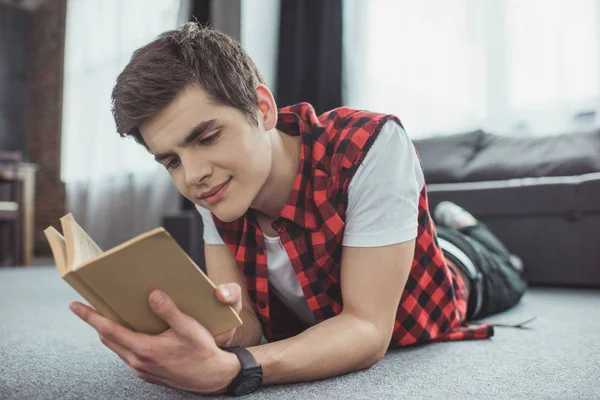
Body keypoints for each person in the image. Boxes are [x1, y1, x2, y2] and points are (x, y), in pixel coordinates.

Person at [67, 23, 527, 396]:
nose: (192, 175)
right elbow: (242, 324)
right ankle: (451, 220)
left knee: (501, 265)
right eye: (170, 160)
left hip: (460, 276)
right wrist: (202, 335)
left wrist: (235, 370)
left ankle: (463, 225)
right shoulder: (216, 185)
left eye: (206, 137)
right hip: (370, 257)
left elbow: (366, 329)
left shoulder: (371, 145)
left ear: (263, 109)